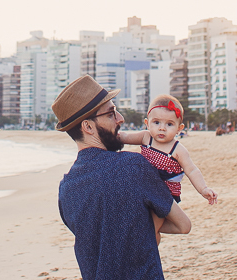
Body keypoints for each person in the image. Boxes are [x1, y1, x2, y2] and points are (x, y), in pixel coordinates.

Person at [55, 75, 192, 280]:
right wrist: (142, 230)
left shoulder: (66, 190)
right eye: (111, 114)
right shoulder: (134, 166)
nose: (121, 119)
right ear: (88, 127)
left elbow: (99, 238)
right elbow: (183, 225)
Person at [117, 94, 217, 240]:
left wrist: (203, 189)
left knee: (153, 230)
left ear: (179, 128)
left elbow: (192, 170)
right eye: (156, 122)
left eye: (169, 124)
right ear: (147, 123)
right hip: (143, 190)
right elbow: (124, 137)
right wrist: (107, 134)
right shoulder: (146, 137)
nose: (162, 128)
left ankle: (145, 240)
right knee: (151, 231)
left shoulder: (178, 149)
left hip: (163, 196)